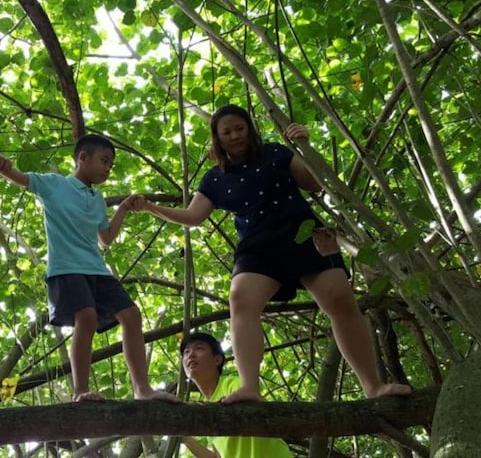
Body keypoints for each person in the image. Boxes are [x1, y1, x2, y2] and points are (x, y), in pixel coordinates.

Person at [130, 105, 411, 402]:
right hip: (258, 244)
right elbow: (193, 216)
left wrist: (303, 145)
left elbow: (314, 182)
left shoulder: (276, 152)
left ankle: (373, 386)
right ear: (217, 139)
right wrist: (150, 207)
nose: (235, 136)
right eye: (227, 132)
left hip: (304, 232)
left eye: (239, 128)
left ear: (250, 129)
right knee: (241, 300)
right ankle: (249, 387)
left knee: (340, 300)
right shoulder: (215, 178)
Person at [0, 135, 178, 402]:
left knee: (132, 315)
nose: (107, 169)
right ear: (83, 158)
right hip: (66, 268)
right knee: (86, 317)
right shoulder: (55, 184)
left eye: (111, 164)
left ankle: (142, 389)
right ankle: (80, 391)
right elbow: (18, 177)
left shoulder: (97, 198)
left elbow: (105, 238)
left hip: (97, 270)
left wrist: (122, 209)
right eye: (104, 161)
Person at [180, 332, 293, 458]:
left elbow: (250, 406)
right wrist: (186, 439)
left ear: (217, 360)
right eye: (186, 352)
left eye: (199, 348)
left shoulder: (233, 385)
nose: (190, 355)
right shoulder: (207, 407)